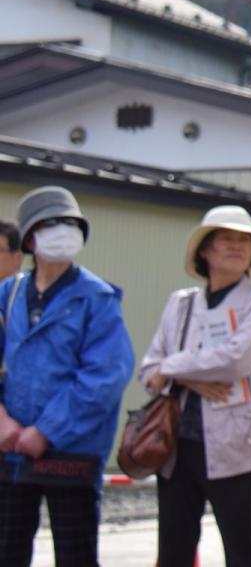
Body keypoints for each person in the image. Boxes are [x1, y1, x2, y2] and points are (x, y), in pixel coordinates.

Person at [139, 205, 251, 567]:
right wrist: (188, 376)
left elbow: (235, 360)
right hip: (175, 444)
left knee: (242, 551)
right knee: (173, 550)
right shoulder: (181, 302)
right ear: (205, 250)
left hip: (237, 444)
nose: (237, 246)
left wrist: (174, 370)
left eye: (244, 241)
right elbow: (148, 371)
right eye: (226, 239)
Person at [0, 186, 134, 566]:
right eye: (51, 224)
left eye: (70, 224)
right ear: (29, 237)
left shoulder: (98, 298)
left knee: (75, 556)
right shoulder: (7, 294)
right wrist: (2, 420)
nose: (64, 231)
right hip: (9, 450)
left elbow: (106, 376)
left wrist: (46, 431)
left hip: (72, 453)